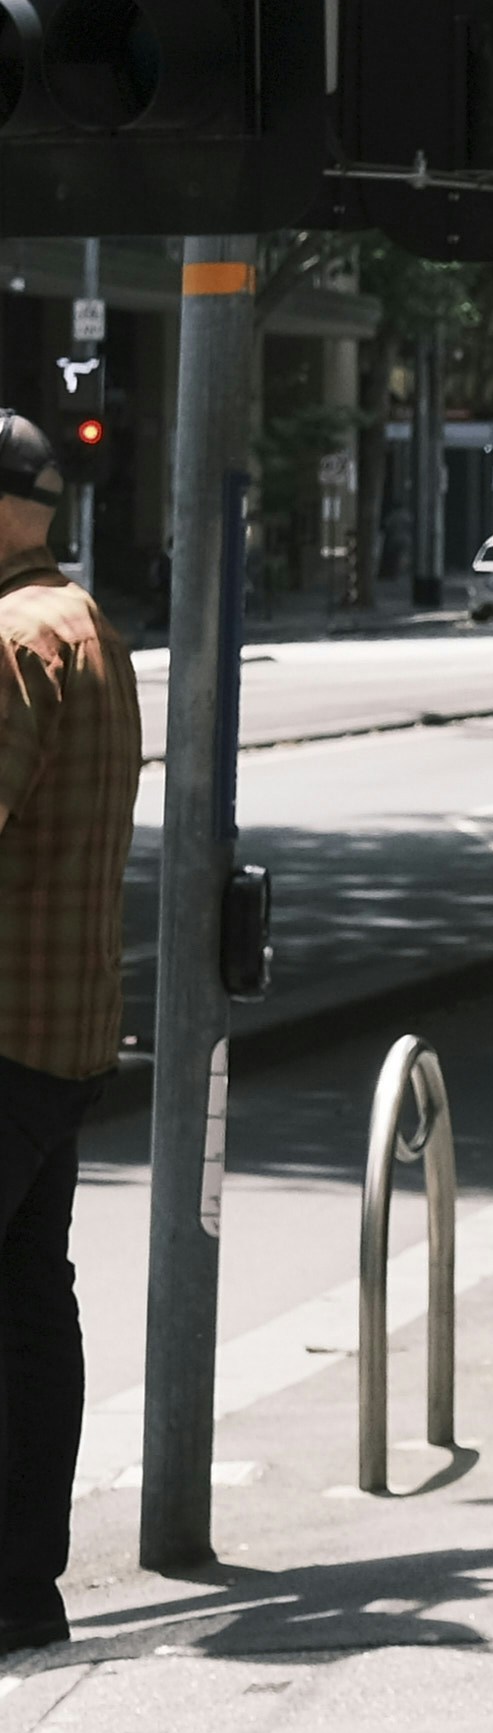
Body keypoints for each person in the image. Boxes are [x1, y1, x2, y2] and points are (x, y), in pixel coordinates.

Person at [0, 417, 136, 1656]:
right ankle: (24, 1587)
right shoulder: (90, 627)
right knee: (34, 1308)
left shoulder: (4, 642)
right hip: (65, 1028)